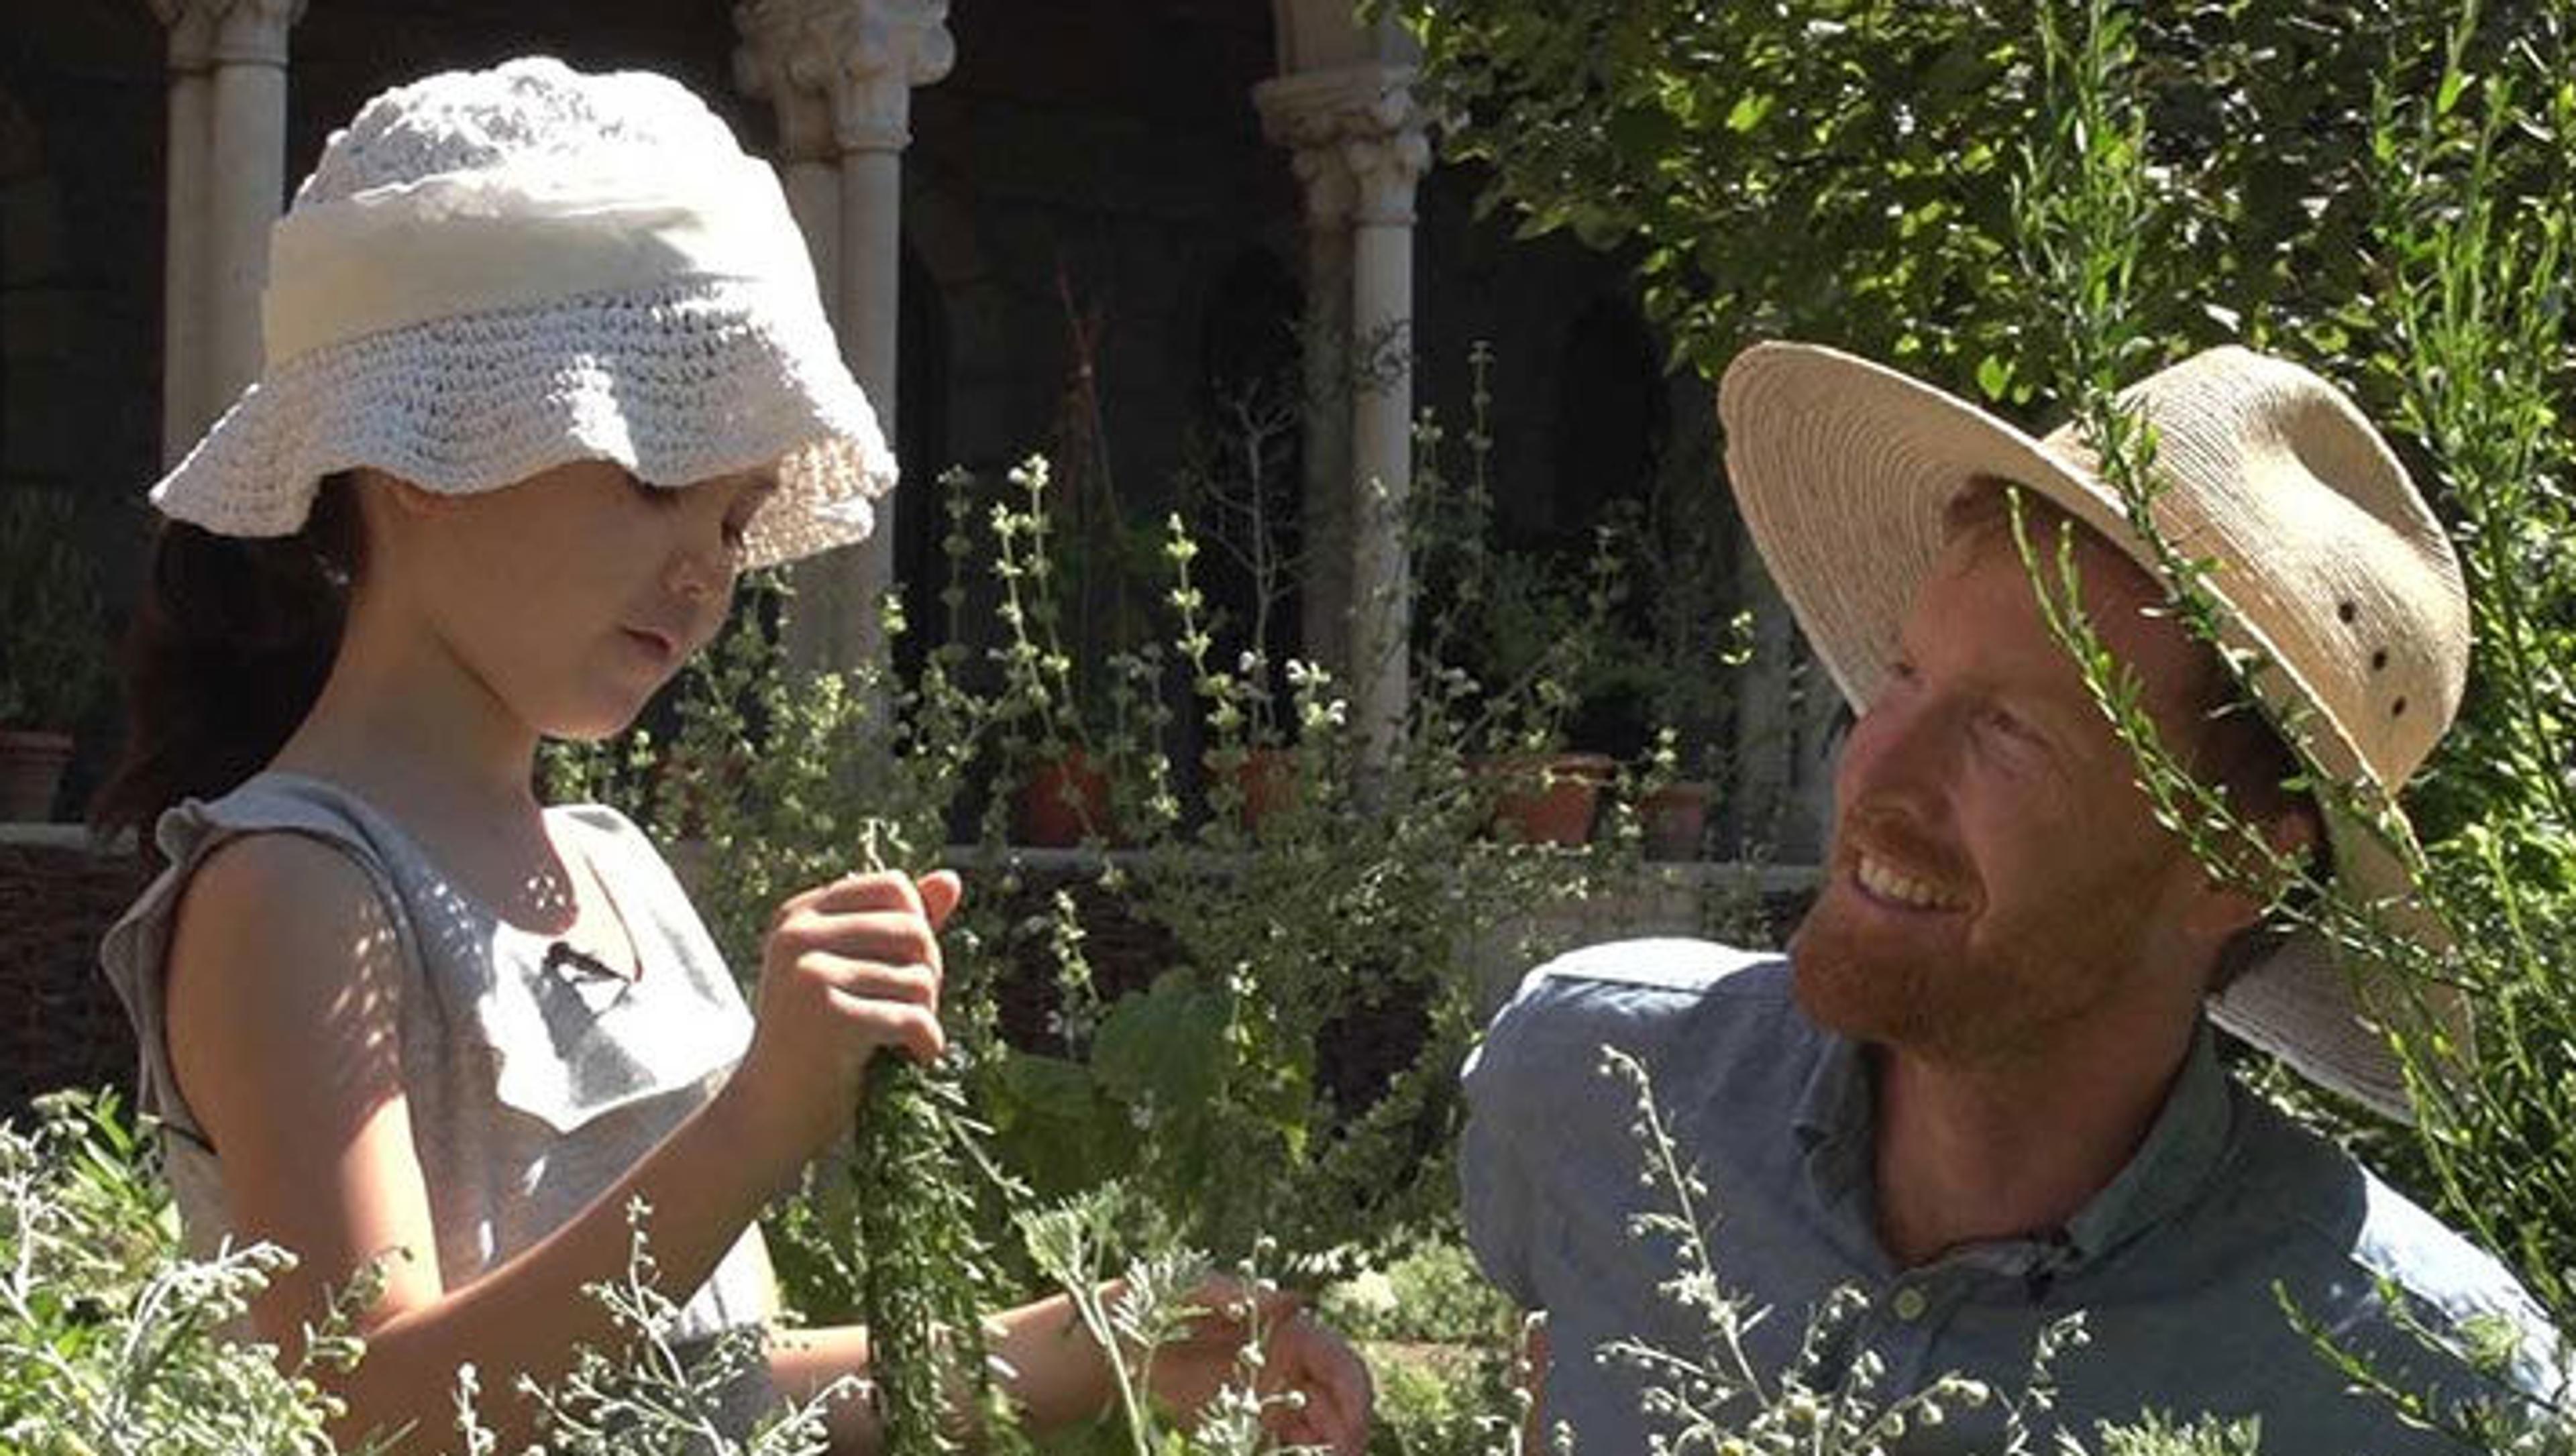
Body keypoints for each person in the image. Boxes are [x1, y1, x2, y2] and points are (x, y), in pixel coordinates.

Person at [92, 57, 1368, 1454]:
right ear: (423, 447)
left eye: (732, 514)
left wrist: (1101, 1339)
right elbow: (376, 1414)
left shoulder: (612, 867)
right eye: (652, 483)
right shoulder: (297, 888)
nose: (704, 572)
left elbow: (714, 1390)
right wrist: (762, 1115)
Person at [1459, 341, 2559, 1453]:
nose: (1878, 774)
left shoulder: (2423, 1394)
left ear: (2236, 862)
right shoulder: (1588, 1080)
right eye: (1905, 675)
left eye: (2009, 729)